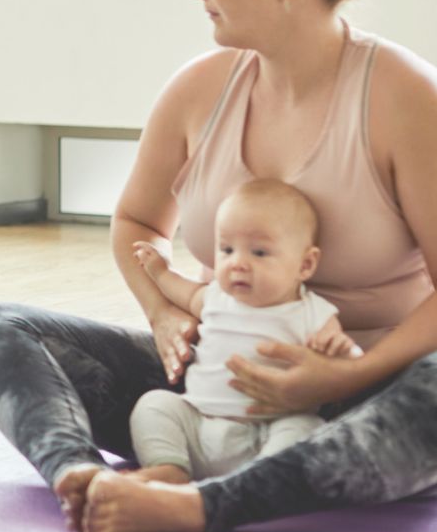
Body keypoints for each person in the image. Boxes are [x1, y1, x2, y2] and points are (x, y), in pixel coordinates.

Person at [0, 0, 437, 532]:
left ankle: (199, 508)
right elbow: (137, 222)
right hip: (215, 387)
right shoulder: (198, 89)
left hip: (370, 395)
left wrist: (338, 376)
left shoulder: (403, 96)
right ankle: (84, 481)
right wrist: (160, 312)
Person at [129, 178, 358, 483]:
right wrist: (159, 271)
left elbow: (346, 356)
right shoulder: (214, 298)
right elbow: (179, 290)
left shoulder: (312, 312)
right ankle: (170, 468)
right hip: (198, 426)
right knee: (155, 404)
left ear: (305, 264)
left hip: (268, 433)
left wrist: (341, 352)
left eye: (259, 253)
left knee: (305, 427)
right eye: (226, 249)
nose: (238, 263)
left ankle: (259, 482)